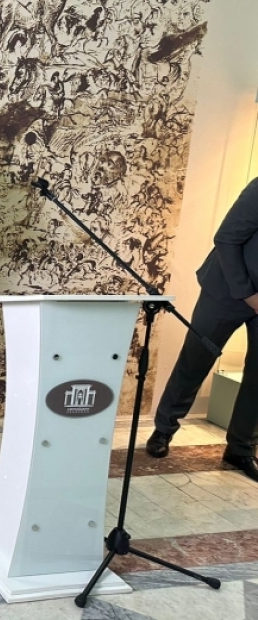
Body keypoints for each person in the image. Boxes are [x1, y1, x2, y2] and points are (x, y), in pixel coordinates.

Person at [146, 178, 258, 482]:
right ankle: (163, 430)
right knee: (195, 359)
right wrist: (249, 295)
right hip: (226, 289)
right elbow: (227, 239)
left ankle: (240, 448)